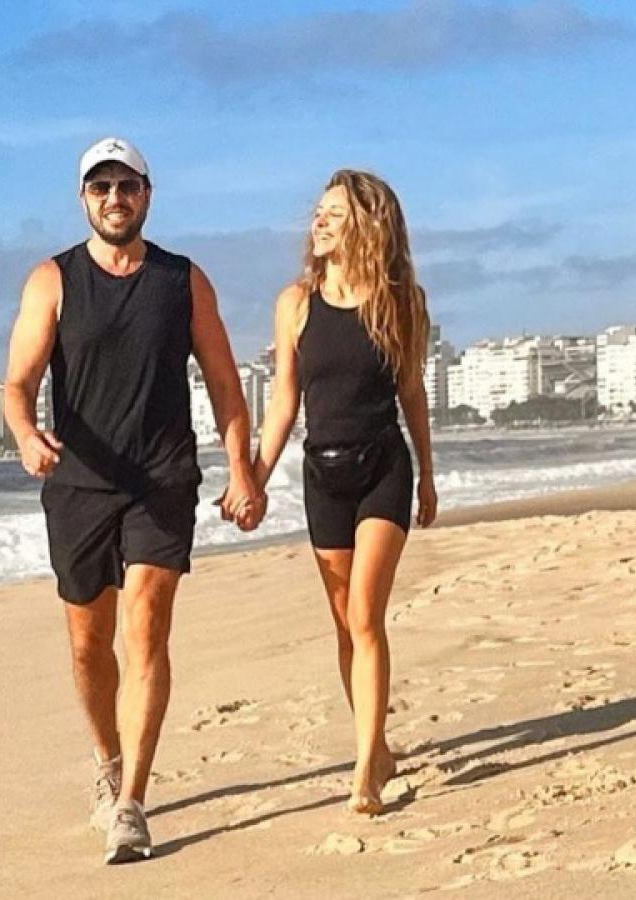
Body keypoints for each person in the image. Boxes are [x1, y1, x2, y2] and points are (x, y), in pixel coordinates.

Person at [3, 137, 261, 864]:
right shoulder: (52, 281)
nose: (114, 198)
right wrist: (25, 434)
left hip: (161, 479)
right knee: (89, 645)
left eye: (127, 186)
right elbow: (17, 384)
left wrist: (241, 470)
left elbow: (225, 384)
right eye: (101, 187)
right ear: (83, 199)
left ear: (148, 195)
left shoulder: (183, 281)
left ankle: (131, 804)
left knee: (145, 627)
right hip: (79, 483)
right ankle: (107, 760)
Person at [244, 169, 438, 815]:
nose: (318, 221)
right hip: (322, 476)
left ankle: (364, 774)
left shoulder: (401, 302)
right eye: (318, 212)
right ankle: (375, 745)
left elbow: (411, 392)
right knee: (343, 625)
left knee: (364, 616)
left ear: (368, 224)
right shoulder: (296, 303)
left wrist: (428, 474)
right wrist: (254, 479)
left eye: (334, 212)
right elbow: (284, 401)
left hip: (384, 467)